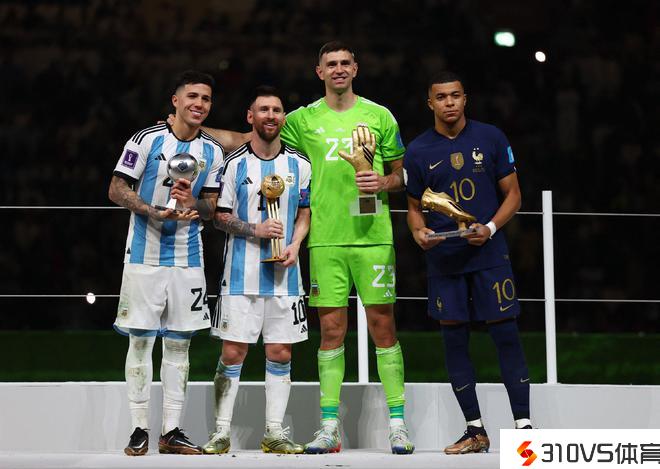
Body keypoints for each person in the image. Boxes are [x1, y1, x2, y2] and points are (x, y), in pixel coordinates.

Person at [280, 41, 413, 455]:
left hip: (373, 237)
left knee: (383, 328)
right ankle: (329, 427)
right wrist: (200, 131)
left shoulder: (379, 115)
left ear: (355, 68)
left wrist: (383, 182)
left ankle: (397, 425)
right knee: (331, 333)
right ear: (319, 71)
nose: (338, 69)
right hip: (325, 238)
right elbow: (259, 139)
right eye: (330, 64)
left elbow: (402, 174)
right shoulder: (302, 120)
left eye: (344, 63)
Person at [404, 71, 532, 455]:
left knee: (506, 335)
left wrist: (490, 228)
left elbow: (514, 195)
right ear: (430, 103)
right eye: (441, 97)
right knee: (454, 340)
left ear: (465, 99)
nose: (449, 103)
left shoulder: (490, 137)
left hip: (489, 253)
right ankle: (475, 430)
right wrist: (418, 232)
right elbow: (414, 208)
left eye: (455, 95)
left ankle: (525, 429)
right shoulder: (418, 150)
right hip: (445, 259)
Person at [108, 70, 224, 456]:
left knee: (179, 343)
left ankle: (171, 430)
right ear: (176, 100)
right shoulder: (146, 139)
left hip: (189, 258)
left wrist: (195, 205)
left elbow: (211, 207)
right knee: (141, 339)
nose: (199, 104)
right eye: (192, 96)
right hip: (144, 253)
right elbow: (116, 189)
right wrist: (151, 210)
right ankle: (139, 428)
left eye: (205, 99)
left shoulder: (213, 152)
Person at [201, 86, 311, 455]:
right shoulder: (234, 164)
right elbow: (220, 217)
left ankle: (274, 433)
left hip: (286, 277)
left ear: (283, 117)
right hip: (240, 276)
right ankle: (220, 432)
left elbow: (305, 212)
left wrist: (295, 244)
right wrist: (255, 230)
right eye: (263, 110)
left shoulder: (300, 164)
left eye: (276, 110)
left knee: (281, 352)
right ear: (251, 117)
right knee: (233, 353)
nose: (270, 116)